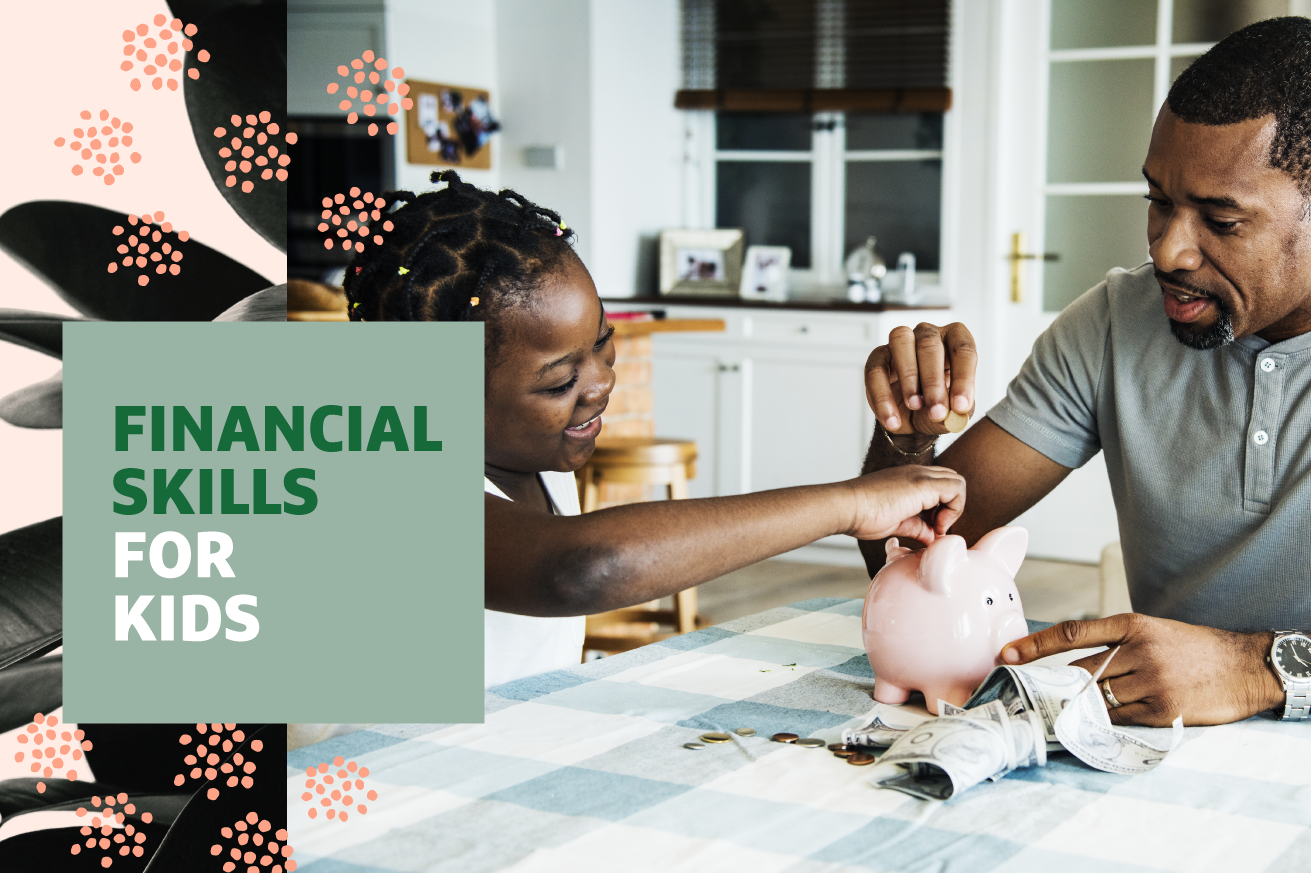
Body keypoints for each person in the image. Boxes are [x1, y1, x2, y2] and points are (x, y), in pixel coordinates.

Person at [345, 170, 968, 688]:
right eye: (560, 380)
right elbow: (578, 568)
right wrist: (849, 504)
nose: (601, 382)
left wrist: (903, 445)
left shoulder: (527, 466)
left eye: (603, 342)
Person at [860, 17, 1311, 728]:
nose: (1167, 250)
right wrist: (907, 439)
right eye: (1158, 202)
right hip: (1159, 754)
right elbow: (908, 561)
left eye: (1218, 222)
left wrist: (1257, 670)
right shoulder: (1113, 322)